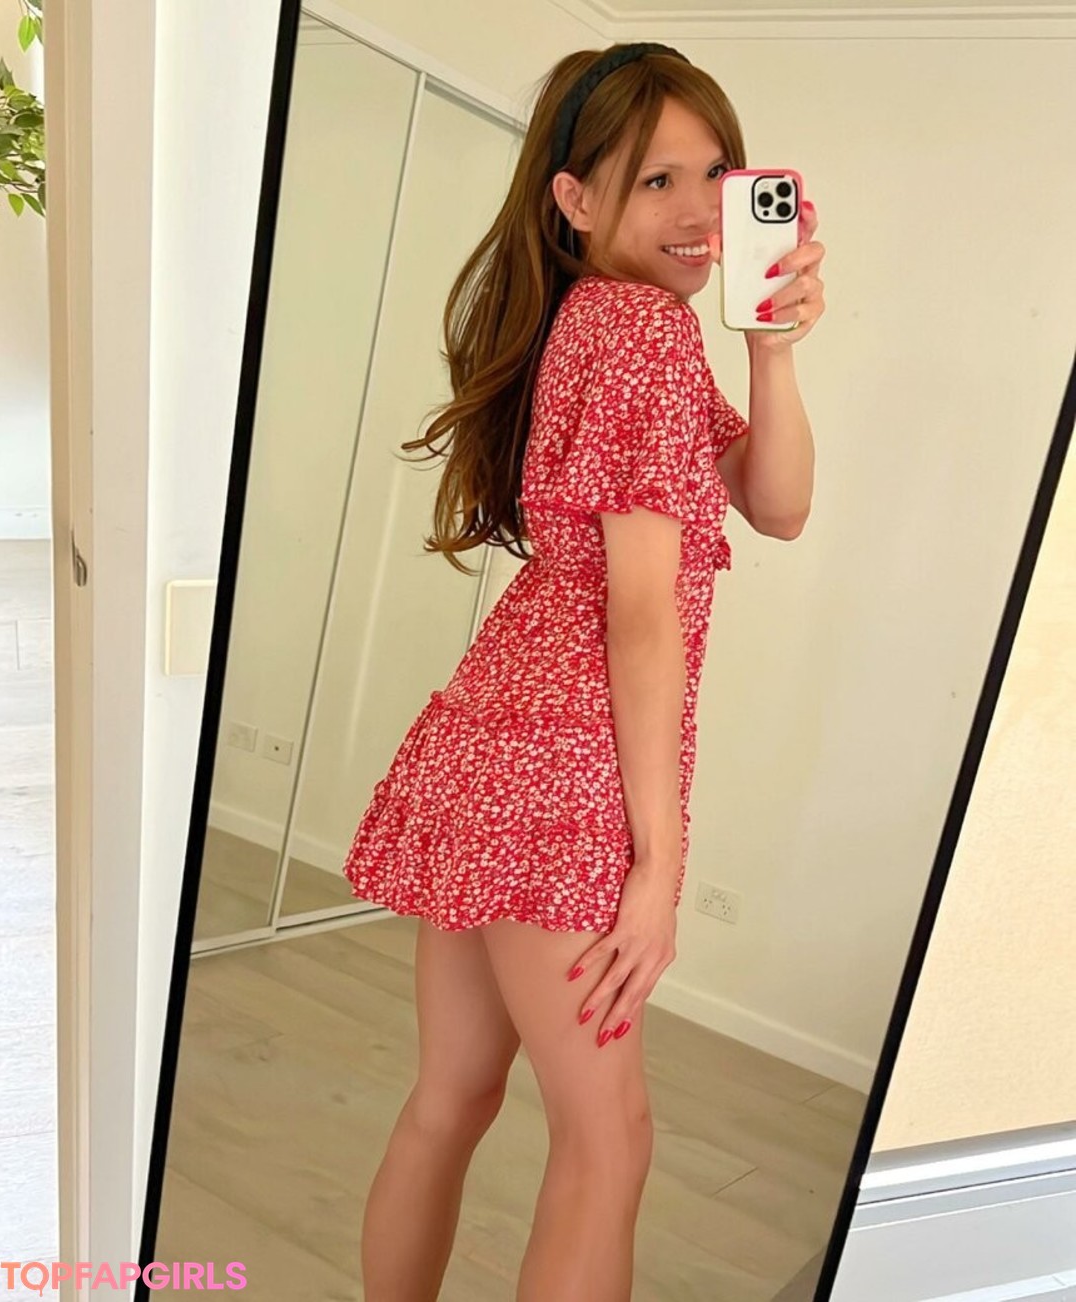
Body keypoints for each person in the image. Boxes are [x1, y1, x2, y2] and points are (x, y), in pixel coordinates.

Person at [344, 40, 824, 1302]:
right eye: (656, 179)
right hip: (566, 773)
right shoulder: (642, 333)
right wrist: (657, 866)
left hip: (487, 740)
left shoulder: (603, 324)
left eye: (715, 175)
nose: (699, 209)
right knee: (610, 1141)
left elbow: (776, 502)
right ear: (574, 197)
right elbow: (643, 617)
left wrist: (772, 347)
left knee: (449, 1099)